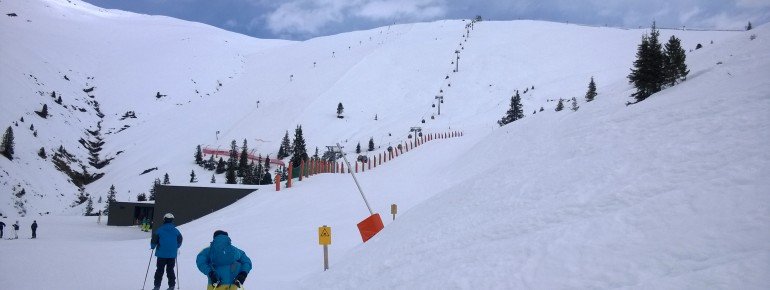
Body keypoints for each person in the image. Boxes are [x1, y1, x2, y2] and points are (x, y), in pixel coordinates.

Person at [150, 213, 182, 290]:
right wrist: (176, 247)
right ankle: (171, 286)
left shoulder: (159, 230)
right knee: (170, 270)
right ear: (172, 220)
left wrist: (152, 247)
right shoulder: (176, 231)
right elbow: (180, 240)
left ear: (164, 220)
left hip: (161, 254)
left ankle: (157, 287)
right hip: (172, 255)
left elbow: (154, 240)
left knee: (159, 270)